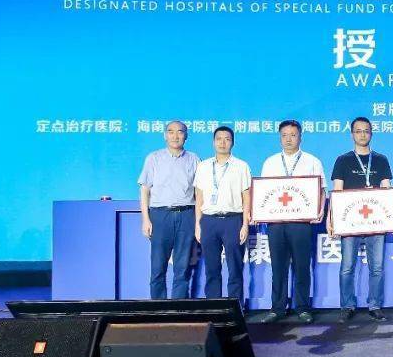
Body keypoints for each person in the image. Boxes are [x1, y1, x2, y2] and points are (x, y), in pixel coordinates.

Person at [257, 120, 325, 323]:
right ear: (280, 138)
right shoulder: (270, 162)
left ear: (300, 137)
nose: (288, 139)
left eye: (293, 135)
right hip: (276, 223)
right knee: (278, 267)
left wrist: (320, 210)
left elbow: (321, 190)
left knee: (302, 266)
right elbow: (263, 192)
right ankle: (277, 308)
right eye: (284, 135)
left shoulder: (312, 161)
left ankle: (302, 308)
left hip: (301, 223)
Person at [329, 117, 393, 323]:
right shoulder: (342, 160)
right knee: (347, 266)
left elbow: (386, 190)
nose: (362, 134)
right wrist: (332, 219)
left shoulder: (381, 159)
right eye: (358, 131)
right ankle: (347, 306)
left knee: (377, 267)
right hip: (349, 222)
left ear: (371, 133)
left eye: (366, 131)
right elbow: (337, 191)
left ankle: (375, 305)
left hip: (376, 222)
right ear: (352, 134)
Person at [138, 120, 199, 300]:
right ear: (165, 135)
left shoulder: (194, 159)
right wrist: (146, 219)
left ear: (186, 136)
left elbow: (199, 193)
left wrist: (197, 222)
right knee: (158, 267)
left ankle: (178, 307)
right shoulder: (154, 158)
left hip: (186, 215)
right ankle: (158, 307)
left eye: (180, 132)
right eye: (171, 132)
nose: (175, 136)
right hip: (160, 215)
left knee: (182, 267)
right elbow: (145, 190)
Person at [193, 126, 251, 301]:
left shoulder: (241, 166)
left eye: (227, 139)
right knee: (212, 268)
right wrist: (198, 225)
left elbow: (246, 197)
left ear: (232, 142)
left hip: (233, 220)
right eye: (219, 139)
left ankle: (236, 307)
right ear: (213, 142)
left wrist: (245, 225)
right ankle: (214, 306)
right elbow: (199, 197)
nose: (223, 143)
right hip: (209, 221)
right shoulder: (203, 166)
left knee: (235, 268)